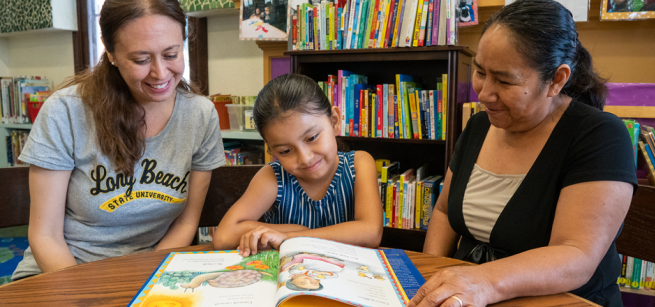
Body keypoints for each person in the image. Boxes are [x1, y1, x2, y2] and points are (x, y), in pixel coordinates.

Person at [409, 1, 637, 307]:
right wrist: (428, 278)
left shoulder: (599, 135)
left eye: (504, 80)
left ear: (557, 80)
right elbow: (444, 212)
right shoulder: (478, 126)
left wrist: (483, 281)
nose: (484, 93)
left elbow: (576, 254)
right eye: (480, 71)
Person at [11, 0, 224, 280]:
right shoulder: (65, 111)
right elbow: (45, 236)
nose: (160, 73)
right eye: (141, 60)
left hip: (152, 271)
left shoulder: (200, 114)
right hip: (63, 272)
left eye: (171, 54)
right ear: (109, 51)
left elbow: (186, 221)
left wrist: (148, 282)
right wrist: (86, 298)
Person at [212, 73, 382, 256]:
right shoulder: (273, 177)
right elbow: (223, 237)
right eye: (285, 151)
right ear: (272, 152)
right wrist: (296, 230)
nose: (305, 158)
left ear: (334, 121)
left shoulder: (359, 164)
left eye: (311, 138)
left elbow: (371, 232)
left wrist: (289, 236)